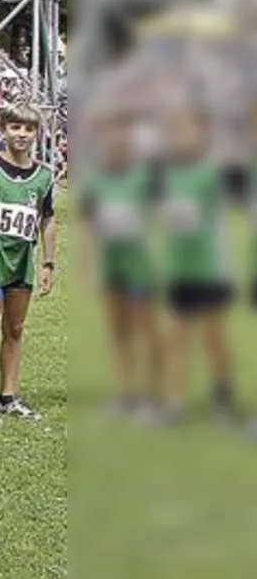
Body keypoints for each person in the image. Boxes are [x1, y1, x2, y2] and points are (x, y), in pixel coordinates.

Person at [153, 93, 241, 425]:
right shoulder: (166, 173)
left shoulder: (212, 170)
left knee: (214, 335)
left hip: (209, 268)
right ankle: (174, 403)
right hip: (180, 267)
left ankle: (223, 399)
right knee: (177, 335)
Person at [0, 102, 59, 423]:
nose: (21, 134)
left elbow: (47, 219)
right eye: (15, 127)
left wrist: (49, 263)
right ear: (4, 128)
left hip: (23, 263)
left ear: (37, 133)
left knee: (16, 328)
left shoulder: (44, 176)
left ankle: (8, 395)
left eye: (28, 128)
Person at [80, 98, 158, 419]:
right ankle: (126, 394)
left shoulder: (147, 175)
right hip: (112, 267)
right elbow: (90, 225)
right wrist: (90, 264)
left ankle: (153, 398)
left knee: (146, 330)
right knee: (119, 331)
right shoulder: (95, 179)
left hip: (140, 265)